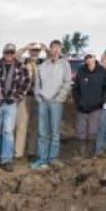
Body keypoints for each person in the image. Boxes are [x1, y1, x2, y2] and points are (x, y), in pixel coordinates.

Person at [0, 43, 32, 171]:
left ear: (14, 53)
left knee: (8, 132)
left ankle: (6, 160)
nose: (9, 54)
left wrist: (17, 97)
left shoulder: (21, 67)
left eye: (11, 52)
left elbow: (27, 83)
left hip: (10, 104)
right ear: (3, 53)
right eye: (7, 52)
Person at [33, 40, 72, 170]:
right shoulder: (42, 66)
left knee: (55, 132)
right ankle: (42, 159)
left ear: (60, 50)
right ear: (50, 50)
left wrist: (60, 98)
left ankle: (53, 158)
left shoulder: (64, 65)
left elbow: (67, 82)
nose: (55, 50)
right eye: (53, 48)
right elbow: (37, 84)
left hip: (56, 103)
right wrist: (38, 97)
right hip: (43, 102)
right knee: (43, 132)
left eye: (58, 48)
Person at [74, 53, 106, 158]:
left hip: (96, 108)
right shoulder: (81, 70)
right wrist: (78, 102)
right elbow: (76, 88)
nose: (88, 59)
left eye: (91, 57)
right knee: (80, 131)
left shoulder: (102, 71)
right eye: (86, 57)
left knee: (93, 132)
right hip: (82, 108)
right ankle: (81, 155)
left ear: (95, 58)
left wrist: (101, 101)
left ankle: (90, 155)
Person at [15, 43, 43, 161]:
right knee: (21, 125)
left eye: (37, 50)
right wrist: (26, 47)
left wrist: (45, 48)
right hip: (25, 97)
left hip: (38, 98)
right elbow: (16, 55)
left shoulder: (43, 63)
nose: (34, 52)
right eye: (33, 50)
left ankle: (32, 152)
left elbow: (56, 57)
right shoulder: (24, 62)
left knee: (34, 126)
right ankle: (18, 153)